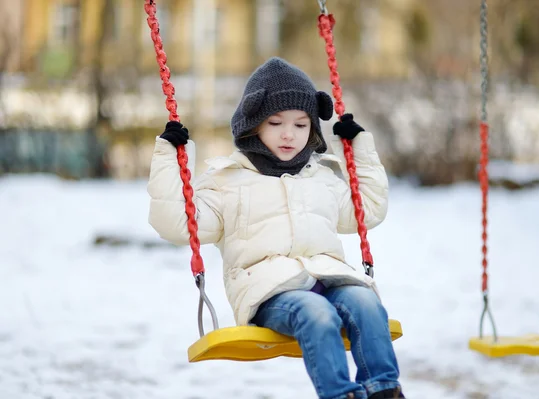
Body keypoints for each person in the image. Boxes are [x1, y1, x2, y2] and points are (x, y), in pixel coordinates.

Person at [147, 57, 405, 399]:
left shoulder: (322, 177)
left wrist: (359, 152)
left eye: (301, 125)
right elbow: (180, 225)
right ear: (253, 125)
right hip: (269, 292)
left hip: (331, 279)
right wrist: (169, 155)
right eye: (276, 122)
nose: (289, 134)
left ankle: (384, 390)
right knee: (317, 313)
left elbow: (367, 210)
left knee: (366, 302)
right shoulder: (226, 182)